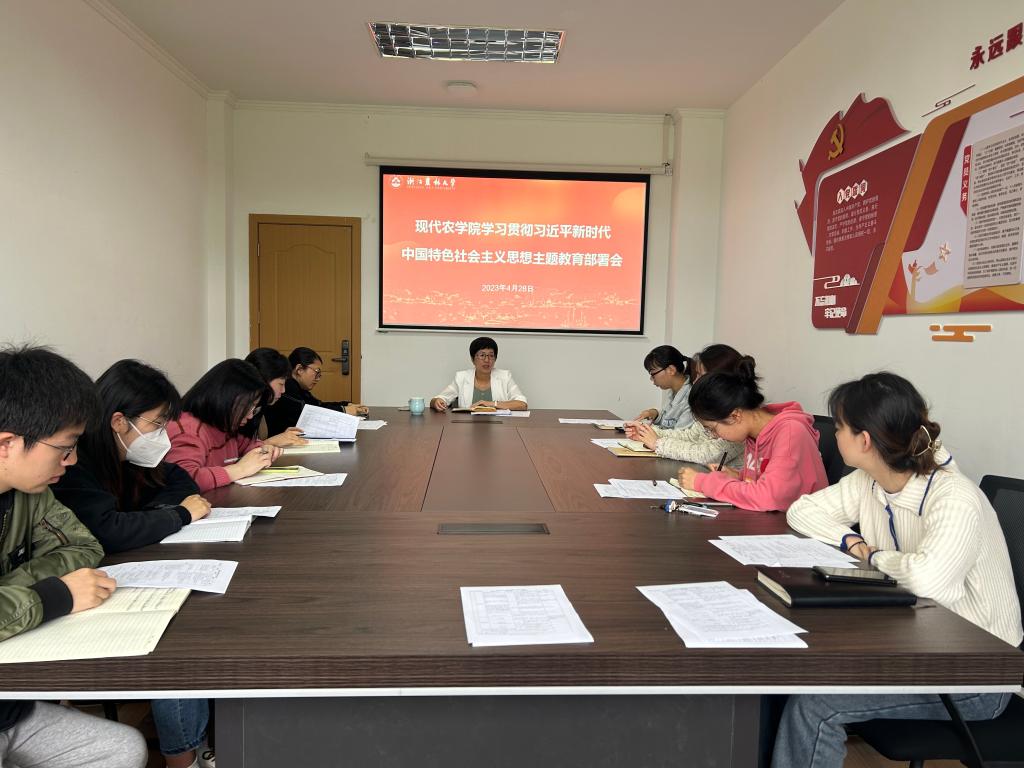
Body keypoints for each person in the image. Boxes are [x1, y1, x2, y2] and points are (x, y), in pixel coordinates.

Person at [773, 372, 1023, 768]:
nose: (834, 435)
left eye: (839, 427)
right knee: (795, 671)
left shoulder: (954, 497)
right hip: (914, 642)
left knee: (815, 704)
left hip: (976, 673)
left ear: (864, 440)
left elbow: (928, 580)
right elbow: (802, 511)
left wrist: (874, 558)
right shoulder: (869, 482)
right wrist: (852, 542)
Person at [51, 359, 216, 768]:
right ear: (118, 421)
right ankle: (184, 757)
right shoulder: (73, 466)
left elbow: (179, 481)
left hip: (112, 576)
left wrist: (156, 514)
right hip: (89, 593)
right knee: (180, 641)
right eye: (157, 424)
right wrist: (178, 515)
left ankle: (196, 744)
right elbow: (108, 531)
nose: (162, 437)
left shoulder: (128, 457)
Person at [0, 345, 148, 768]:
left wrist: (11, 588)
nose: (73, 460)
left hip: (12, 706)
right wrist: (56, 595)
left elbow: (84, 546)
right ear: (8, 443)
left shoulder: (30, 493)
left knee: (123, 749)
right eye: (65, 447)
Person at [678, 359, 827, 510]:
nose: (714, 435)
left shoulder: (790, 433)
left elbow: (768, 497)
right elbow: (771, 481)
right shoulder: (754, 434)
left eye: (712, 429)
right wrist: (738, 476)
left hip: (803, 521)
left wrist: (702, 482)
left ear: (735, 415)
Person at [166, 360, 282, 492]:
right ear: (224, 397)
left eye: (254, 407)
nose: (250, 415)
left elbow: (247, 445)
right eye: (246, 406)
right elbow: (183, 480)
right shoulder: (187, 429)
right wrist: (239, 469)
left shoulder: (223, 424)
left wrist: (262, 450)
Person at [625, 344, 746, 466]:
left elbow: (708, 455)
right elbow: (690, 435)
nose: (695, 381)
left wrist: (658, 443)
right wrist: (646, 432)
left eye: (700, 375)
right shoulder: (714, 405)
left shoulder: (736, 415)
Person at [262, 347, 368, 436]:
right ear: (299, 369)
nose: (318, 378)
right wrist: (344, 410)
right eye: (317, 372)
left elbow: (317, 405)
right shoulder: (289, 386)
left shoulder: (299, 388)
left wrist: (346, 405)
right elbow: (310, 415)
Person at [430, 337, 528, 411]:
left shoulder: (505, 376)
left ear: (495, 359)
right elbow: (438, 399)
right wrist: (437, 402)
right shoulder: (462, 377)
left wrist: (492, 404)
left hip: (498, 426)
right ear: (473, 359)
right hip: (467, 426)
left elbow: (522, 404)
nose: (487, 360)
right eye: (482, 355)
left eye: (491, 356)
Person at [244, 348, 308, 447]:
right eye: (281, 384)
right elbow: (236, 453)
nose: (283, 390)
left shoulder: (260, 407)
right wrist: (269, 442)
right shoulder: (240, 412)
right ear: (263, 380)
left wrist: (283, 437)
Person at [631, 345, 692, 429]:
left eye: (653, 374)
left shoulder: (692, 397)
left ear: (671, 370)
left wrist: (646, 430)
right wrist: (654, 413)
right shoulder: (673, 391)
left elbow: (680, 433)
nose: (651, 379)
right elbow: (667, 421)